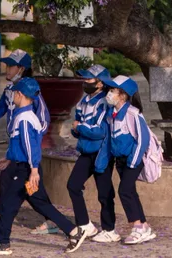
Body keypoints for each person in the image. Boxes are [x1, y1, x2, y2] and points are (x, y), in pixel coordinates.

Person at [0, 77, 90, 256]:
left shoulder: (23, 118)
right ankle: (73, 231)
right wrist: (9, 158)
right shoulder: (28, 115)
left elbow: (30, 147)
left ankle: (2, 244)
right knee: (40, 204)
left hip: (24, 170)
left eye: (14, 93)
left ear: (20, 94)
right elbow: (20, 144)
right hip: (24, 167)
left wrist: (33, 171)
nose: (12, 96)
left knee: (8, 205)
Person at [0, 49, 52, 234]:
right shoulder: (9, 90)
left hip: (28, 145)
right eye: (6, 65)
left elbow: (44, 118)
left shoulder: (30, 90)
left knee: (30, 185)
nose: (6, 69)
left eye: (10, 66)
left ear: (21, 69)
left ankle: (50, 220)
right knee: (10, 179)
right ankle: (5, 219)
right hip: (16, 146)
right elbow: (0, 108)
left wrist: (34, 138)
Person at [94, 75, 156, 246]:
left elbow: (142, 139)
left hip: (132, 160)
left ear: (123, 95)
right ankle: (144, 226)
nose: (109, 93)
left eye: (113, 90)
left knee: (124, 191)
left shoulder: (132, 113)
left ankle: (137, 227)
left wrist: (133, 161)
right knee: (131, 192)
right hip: (120, 161)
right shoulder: (111, 113)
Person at [65, 64, 119, 243]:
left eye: (89, 78)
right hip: (86, 152)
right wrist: (76, 129)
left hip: (102, 153)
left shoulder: (105, 102)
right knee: (73, 185)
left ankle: (110, 230)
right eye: (84, 78)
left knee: (105, 193)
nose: (85, 82)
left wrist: (79, 127)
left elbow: (101, 131)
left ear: (100, 83)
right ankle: (85, 225)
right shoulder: (83, 101)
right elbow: (77, 124)